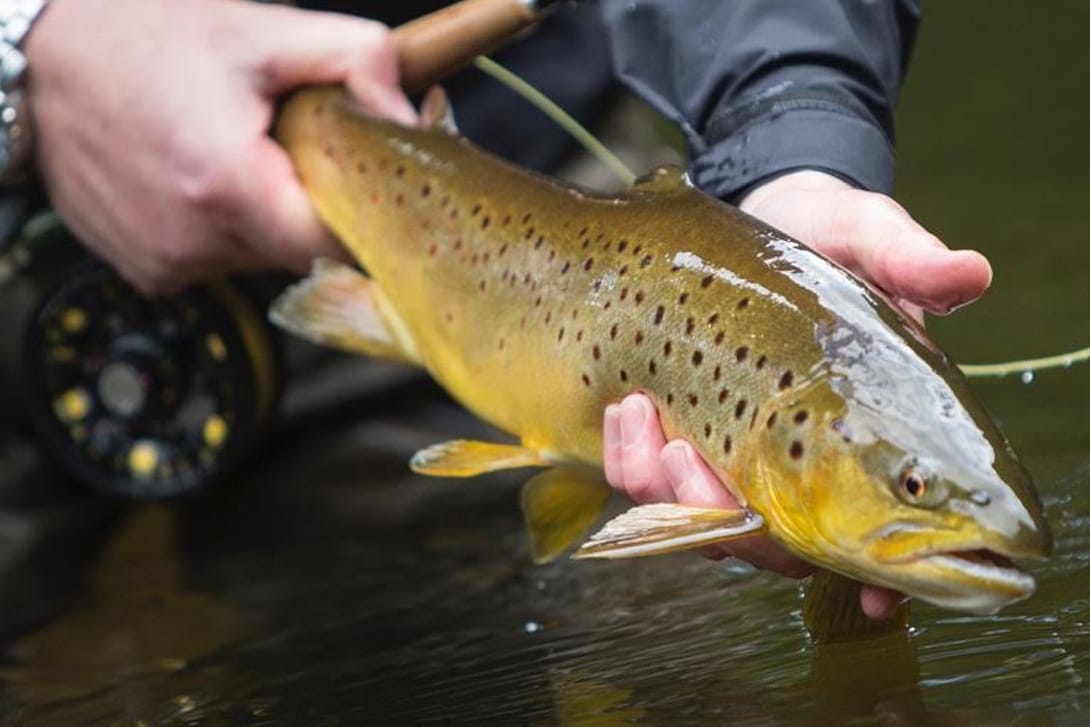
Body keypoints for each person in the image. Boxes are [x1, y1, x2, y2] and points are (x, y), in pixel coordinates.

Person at [20, 0, 992, 621]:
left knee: (620, 648)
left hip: (510, 192)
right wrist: (35, 48)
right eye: (913, 488)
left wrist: (790, 136)